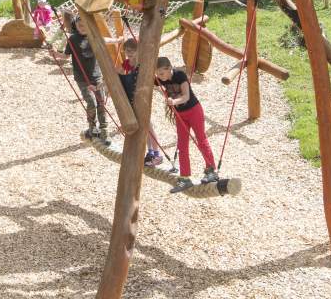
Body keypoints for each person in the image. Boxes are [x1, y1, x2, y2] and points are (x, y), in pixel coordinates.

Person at [155, 56, 218, 192]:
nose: (159, 77)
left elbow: (186, 96)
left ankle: (211, 170)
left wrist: (173, 102)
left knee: (201, 139)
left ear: (169, 68)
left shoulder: (179, 75)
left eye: (161, 73)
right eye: (157, 74)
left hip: (193, 110)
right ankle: (185, 178)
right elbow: (146, 79)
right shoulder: (160, 79)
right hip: (180, 115)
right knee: (182, 145)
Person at [118, 38, 164, 167]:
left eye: (133, 51)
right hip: (133, 98)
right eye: (127, 50)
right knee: (144, 127)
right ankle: (150, 152)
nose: (130, 53)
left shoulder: (141, 64)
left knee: (148, 126)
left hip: (143, 98)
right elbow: (117, 74)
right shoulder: (126, 64)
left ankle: (157, 154)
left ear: (139, 51)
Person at [64, 11, 108, 140]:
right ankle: (92, 127)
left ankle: (104, 128)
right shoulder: (73, 39)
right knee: (91, 103)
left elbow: (105, 40)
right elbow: (66, 55)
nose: (82, 27)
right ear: (76, 26)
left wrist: (118, 40)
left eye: (85, 25)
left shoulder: (93, 36)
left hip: (96, 76)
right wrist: (54, 54)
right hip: (82, 78)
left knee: (101, 103)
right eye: (79, 25)